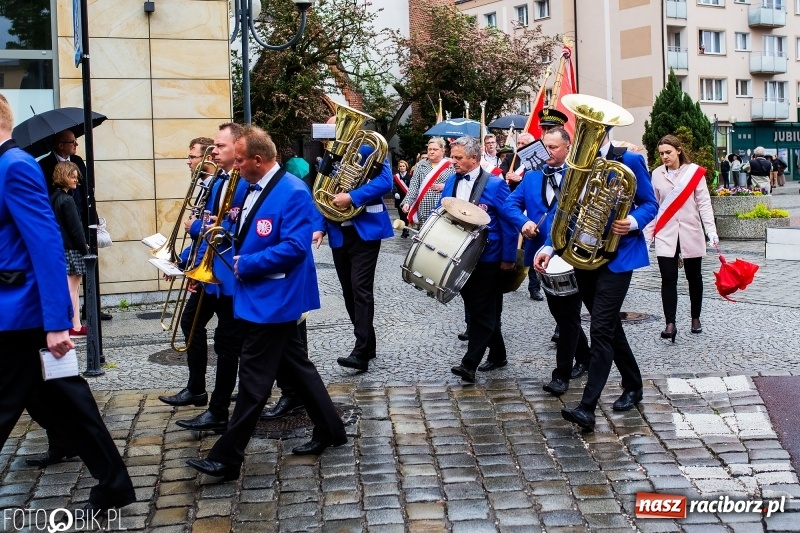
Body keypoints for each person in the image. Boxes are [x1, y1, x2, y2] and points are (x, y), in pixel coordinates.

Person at [186, 126, 346, 481]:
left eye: (240, 160)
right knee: (298, 367)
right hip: (259, 295)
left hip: (276, 297)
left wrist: (247, 264)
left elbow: (295, 247)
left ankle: (227, 457)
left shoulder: (293, 191)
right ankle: (331, 429)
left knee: (254, 381)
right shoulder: (250, 186)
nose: (235, 166)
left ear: (258, 160)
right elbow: (242, 232)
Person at [0, 94, 135, 512]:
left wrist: (59, 320)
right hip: (14, 312)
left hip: (22, 313)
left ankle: (114, 482)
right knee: (66, 401)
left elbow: (46, 245)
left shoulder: (15, 166)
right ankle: (113, 482)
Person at [535, 133, 658, 432]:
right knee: (610, 327)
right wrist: (550, 246)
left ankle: (587, 407)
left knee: (600, 328)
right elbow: (564, 211)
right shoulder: (574, 164)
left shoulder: (629, 160)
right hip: (582, 256)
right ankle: (634, 385)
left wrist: (633, 222)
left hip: (617, 256)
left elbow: (649, 203)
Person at [160, 124, 247, 438]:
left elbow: (230, 231)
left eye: (219, 146)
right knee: (198, 327)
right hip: (211, 271)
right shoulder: (220, 182)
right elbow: (213, 226)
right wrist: (192, 264)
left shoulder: (241, 183)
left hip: (228, 275)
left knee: (231, 343)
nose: (213, 152)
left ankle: (221, 408)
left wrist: (197, 228)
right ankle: (204, 395)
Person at [505, 127, 591, 394]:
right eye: (546, 147)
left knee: (568, 315)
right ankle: (585, 357)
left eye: (554, 147)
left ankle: (561, 375)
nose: (548, 152)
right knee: (561, 314)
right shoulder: (531, 176)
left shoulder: (579, 176)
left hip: (571, 253)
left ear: (568, 148)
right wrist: (524, 222)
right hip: (541, 257)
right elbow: (510, 204)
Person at [313, 137, 394, 373]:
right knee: (349, 291)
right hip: (339, 233)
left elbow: (386, 181)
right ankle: (368, 345)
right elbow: (321, 194)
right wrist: (319, 227)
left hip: (366, 231)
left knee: (360, 289)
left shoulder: (369, 149)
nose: (332, 137)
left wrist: (352, 196)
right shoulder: (331, 154)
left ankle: (360, 352)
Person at [443, 136, 517, 383]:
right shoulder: (451, 180)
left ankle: (469, 364)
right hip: (460, 256)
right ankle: (498, 355)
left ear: (474, 159)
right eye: (452, 157)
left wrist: (508, 258)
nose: (453, 161)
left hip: (489, 257)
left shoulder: (496, 184)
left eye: (458, 158)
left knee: (481, 312)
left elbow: (509, 223)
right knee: (478, 308)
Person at [644, 135, 718, 341]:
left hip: (690, 231)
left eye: (668, 152)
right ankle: (670, 323)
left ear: (678, 150)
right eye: (661, 153)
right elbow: (653, 206)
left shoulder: (694, 173)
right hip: (666, 233)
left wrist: (711, 230)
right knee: (668, 278)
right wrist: (647, 236)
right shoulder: (656, 174)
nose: (664, 157)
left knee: (694, 277)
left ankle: (695, 318)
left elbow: (704, 203)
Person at [39, 129, 112, 322]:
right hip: (62, 221)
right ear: (60, 145)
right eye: (72, 142)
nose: (76, 145)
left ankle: (92, 308)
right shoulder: (45, 164)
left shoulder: (78, 161)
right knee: (70, 270)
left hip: (84, 218)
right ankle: (69, 314)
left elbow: (88, 189)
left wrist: (94, 217)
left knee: (90, 261)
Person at [49, 161, 89, 337]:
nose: (76, 180)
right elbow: (76, 230)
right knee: (73, 289)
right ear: (63, 177)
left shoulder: (54, 198)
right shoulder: (67, 200)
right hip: (72, 250)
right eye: (72, 176)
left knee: (69, 288)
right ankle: (75, 326)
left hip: (60, 249)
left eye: (76, 176)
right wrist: (85, 250)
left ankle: (73, 325)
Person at [401, 137, 454, 227]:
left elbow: (458, 184)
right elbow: (414, 186)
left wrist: (445, 186)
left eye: (435, 149)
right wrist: (407, 202)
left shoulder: (451, 165)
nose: (431, 152)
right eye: (429, 149)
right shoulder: (420, 165)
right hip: (424, 208)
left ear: (443, 150)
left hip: (443, 208)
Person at [393, 160, 412, 237]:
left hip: (407, 198)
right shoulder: (396, 177)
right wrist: (395, 192)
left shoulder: (410, 176)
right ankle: (404, 229)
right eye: (400, 166)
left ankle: (406, 230)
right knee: (401, 215)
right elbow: (393, 186)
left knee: (406, 215)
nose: (402, 167)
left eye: (403, 166)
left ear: (406, 167)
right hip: (399, 198)